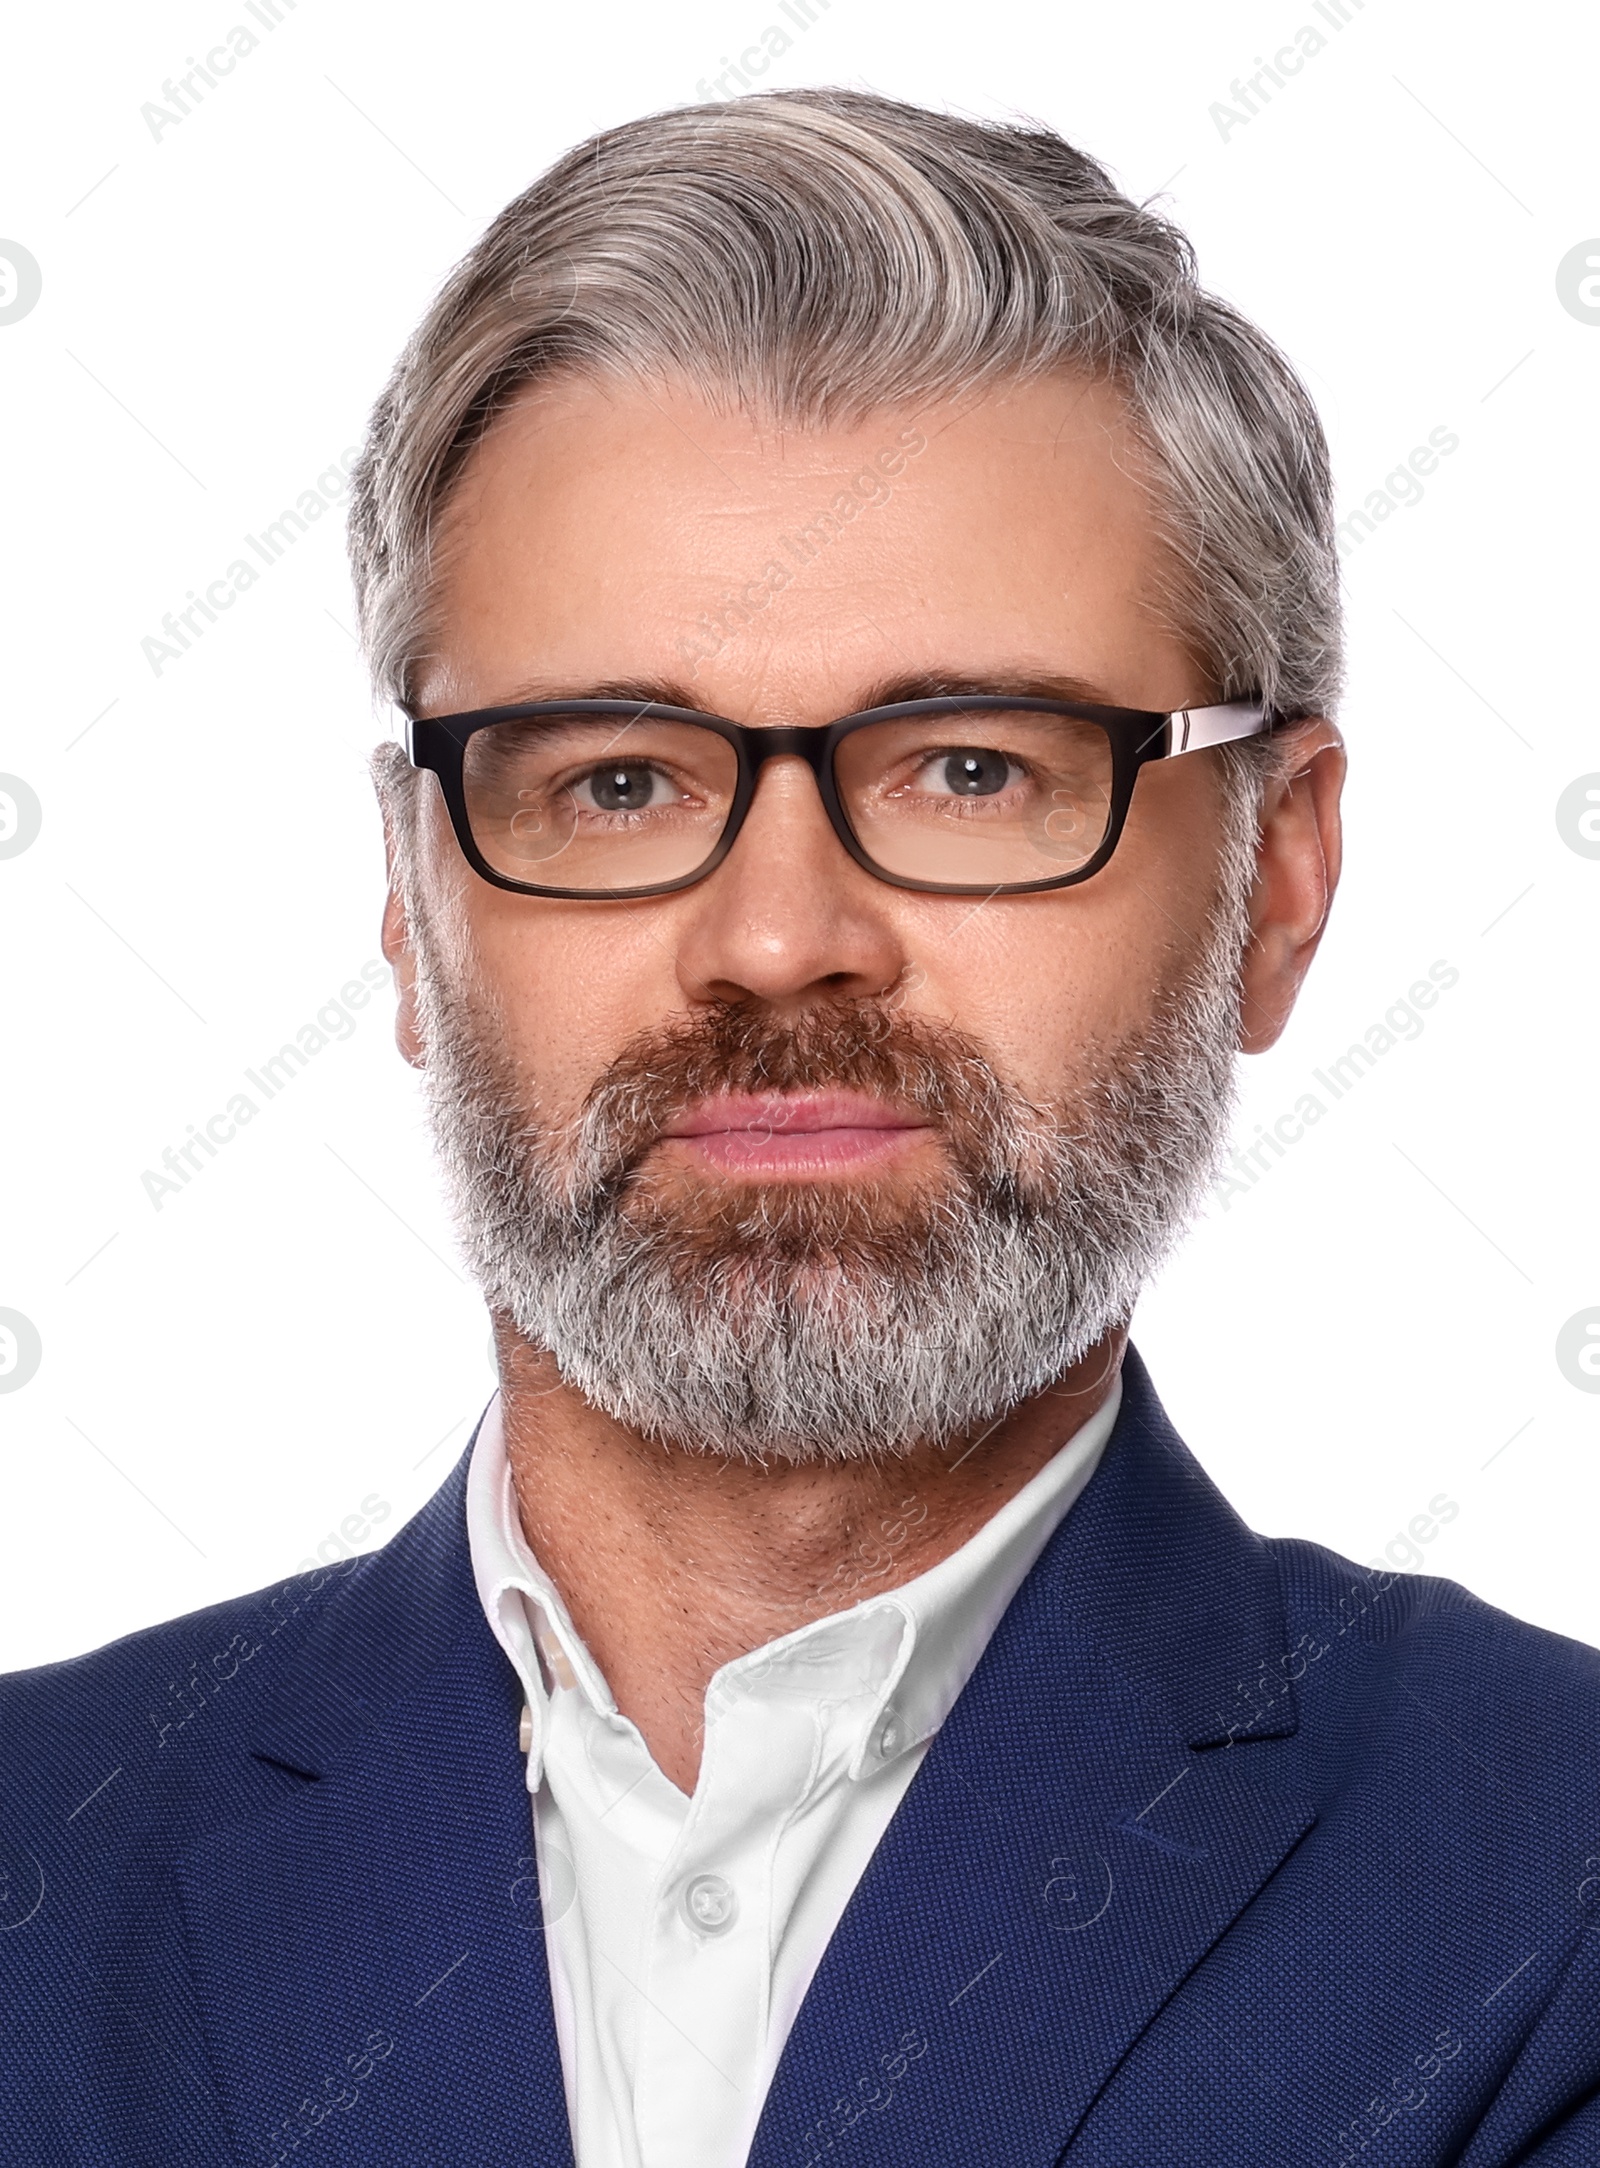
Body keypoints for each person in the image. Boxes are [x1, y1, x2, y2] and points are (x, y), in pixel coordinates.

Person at [5, 87, 1598, 2168]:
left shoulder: (1542, 1899)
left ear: (1271, 886)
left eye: (965, 770)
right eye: (612, 781)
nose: (772, 941)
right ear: (408, 902)